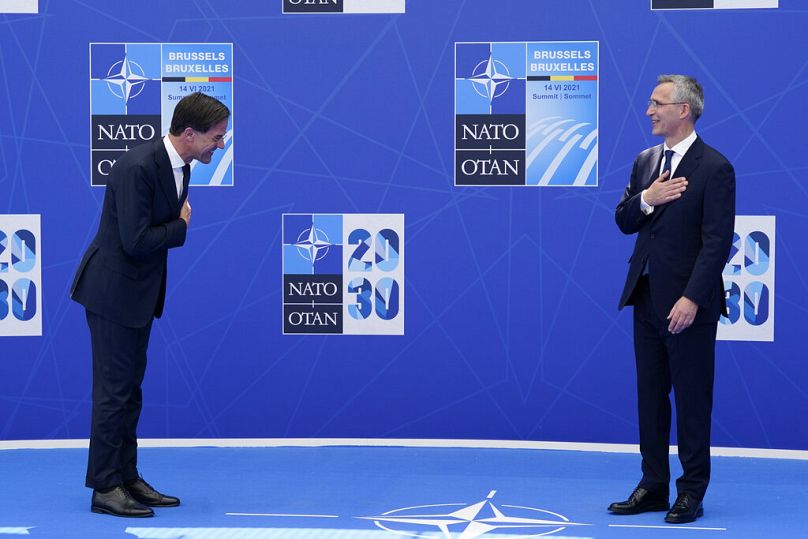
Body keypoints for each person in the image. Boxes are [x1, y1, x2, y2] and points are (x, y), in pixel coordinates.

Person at [71, 92, 230, 517]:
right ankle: (104, 487)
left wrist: (174, 226)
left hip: (138, 296)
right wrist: (180, 227)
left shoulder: (181, 166)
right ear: (190, 134)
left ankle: (126, 476)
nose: (221, 144)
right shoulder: (137, 167)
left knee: (130, 393)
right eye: (216, 137)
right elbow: (136, 240)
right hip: (111, 294)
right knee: (113, 394)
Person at [610, 75, 735, 524]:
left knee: (692, 399)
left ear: (684, 109)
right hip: (644, 298)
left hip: (688, 307)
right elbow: (623, 220)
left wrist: (691, 298)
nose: (649, 111)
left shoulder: (715, 167)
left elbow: (717, 243)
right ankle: (653, 486)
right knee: (650, 397)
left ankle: (691, 491)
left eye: (657, 103)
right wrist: (648, 197)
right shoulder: (645, 162)